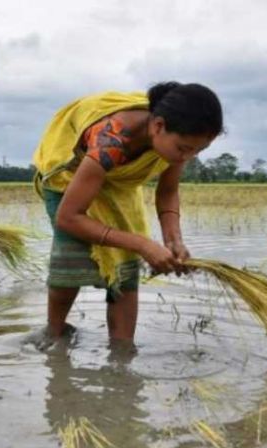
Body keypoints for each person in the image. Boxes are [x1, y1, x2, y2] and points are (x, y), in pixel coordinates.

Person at [32, 82, 223, 342]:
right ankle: (53, 337)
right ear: (158, 126)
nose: (187, 157)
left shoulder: (174, 146)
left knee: (125, 270)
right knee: (70, 261)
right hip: (69, 180)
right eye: (183, 149)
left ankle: (122, 354)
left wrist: (173, 239)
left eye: (198, 151)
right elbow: (69, 218)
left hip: (118, 183)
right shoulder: (111, 139)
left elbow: (167, 192)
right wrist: (143, 244)